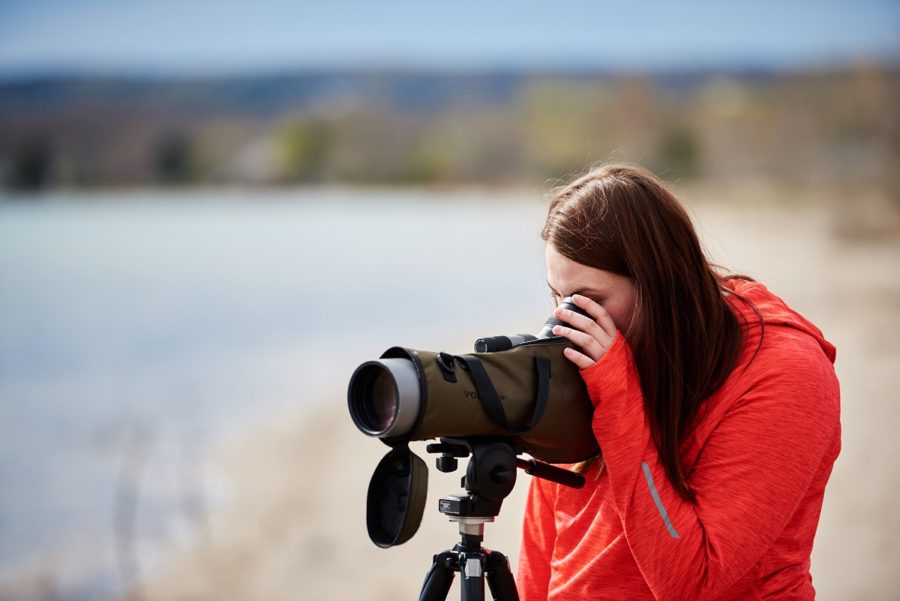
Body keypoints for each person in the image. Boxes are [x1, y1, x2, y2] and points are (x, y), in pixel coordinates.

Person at [517, 164, 841, 600]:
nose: (566, 320)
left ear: (658, 285)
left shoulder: (785, 373)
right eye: (558, 297)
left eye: (588, 300)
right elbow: (544, 546)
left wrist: (618, 396)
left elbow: (694, 582)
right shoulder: (592, 351)